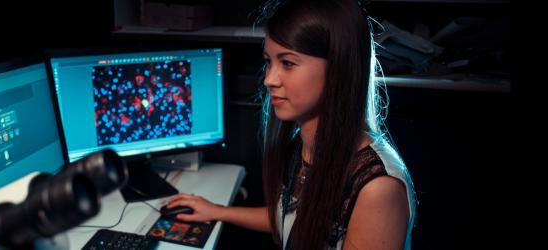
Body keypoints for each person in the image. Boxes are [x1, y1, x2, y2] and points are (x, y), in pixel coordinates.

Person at [165, 0, 416, 249]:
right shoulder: (303, 144)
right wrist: (217, 211)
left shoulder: (378, 188)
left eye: (287, 63)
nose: (269, 80)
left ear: (339, 68)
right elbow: (289, 217)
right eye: (269, 62)